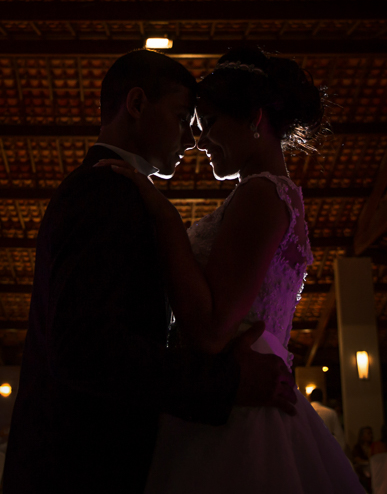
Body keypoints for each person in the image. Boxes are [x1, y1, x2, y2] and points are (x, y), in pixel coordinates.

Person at [5, 50, 296, 493]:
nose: (191, 140)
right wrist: (226, 383)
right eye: (182, 118)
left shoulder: (120, 192)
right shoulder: (103, 192)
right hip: (80, 467)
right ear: (137, 104)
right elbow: (86, 349)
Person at [102, 48, 361, 493]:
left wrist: (164, 217)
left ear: (254, 119)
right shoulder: (275, 195)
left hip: (237, 413)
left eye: (209, 123)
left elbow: (211, 330)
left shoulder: (260, 194)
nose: (199, 141)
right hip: (238, 392)